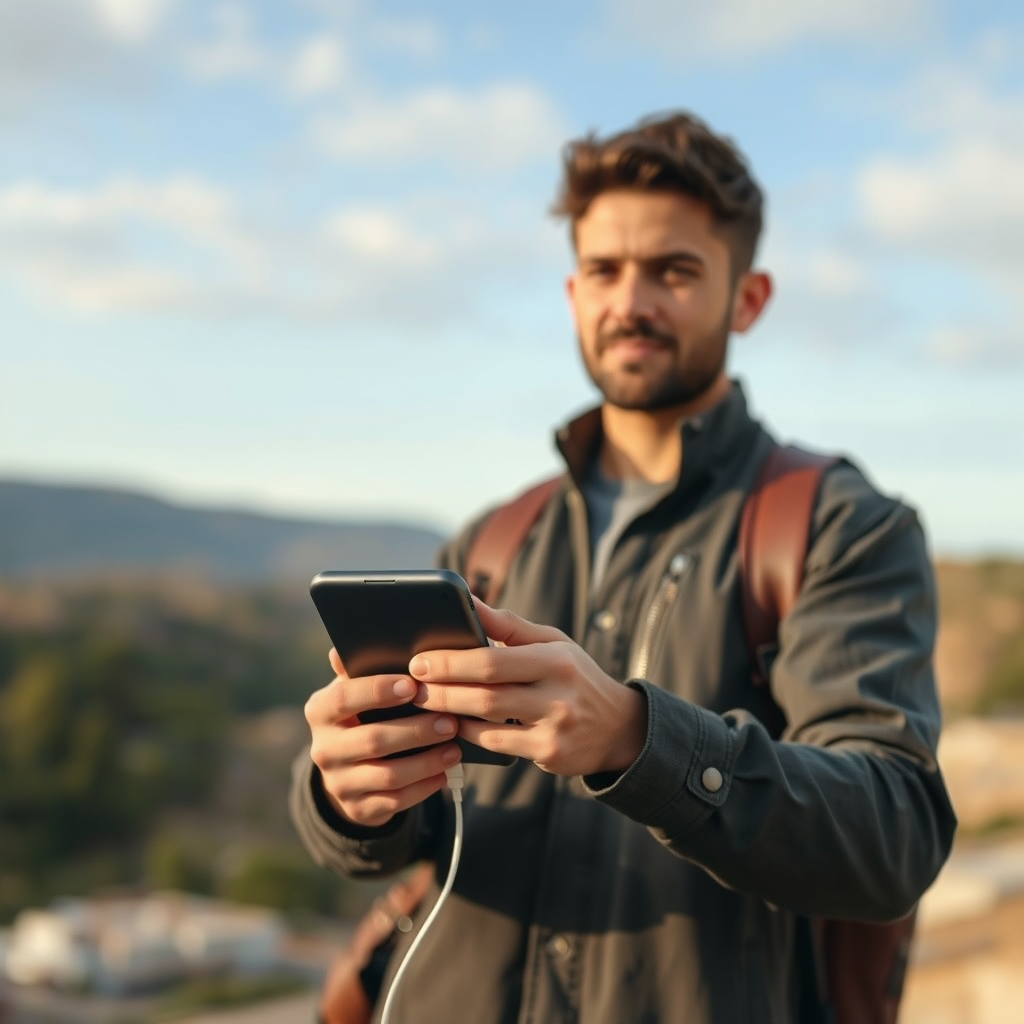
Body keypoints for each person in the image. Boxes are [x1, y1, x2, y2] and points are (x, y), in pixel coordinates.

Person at [290, 111, 957, 1024]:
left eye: (674, 271)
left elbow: (893, 834)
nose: (630, 301)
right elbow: (396, 840)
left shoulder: (840, 528)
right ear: (572, 293)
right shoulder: (494, 540)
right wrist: (347, 794)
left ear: (748, 299)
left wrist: (638, 742)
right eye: (604, 271)